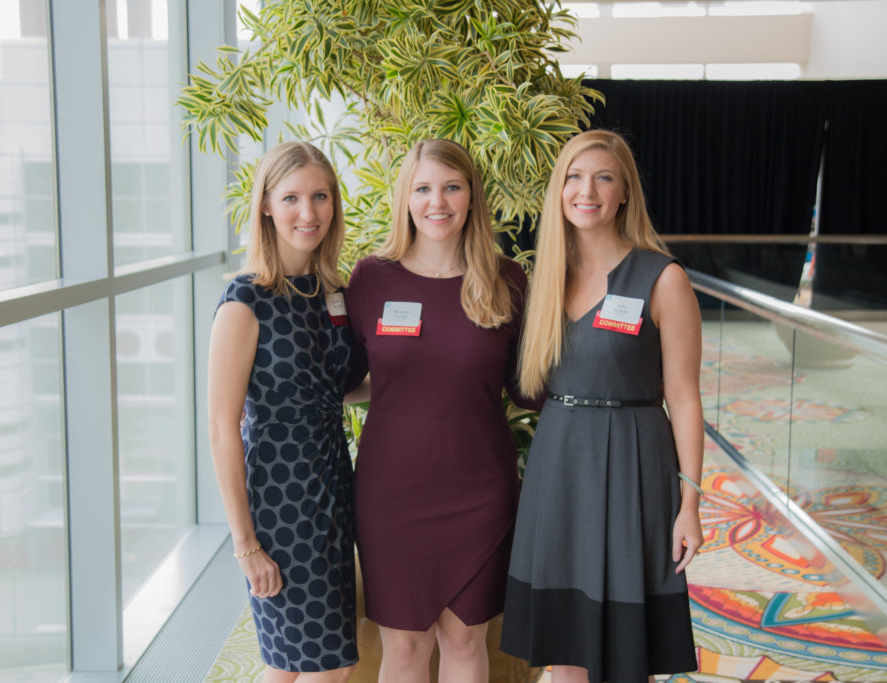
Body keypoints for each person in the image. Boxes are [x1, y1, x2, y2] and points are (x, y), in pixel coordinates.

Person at [501, 130, 704, 683]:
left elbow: (684, 397)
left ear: (623, 194)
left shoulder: (662, 278)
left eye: (603, 177)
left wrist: (691, 502)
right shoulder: (547, 279)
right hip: (559, 459)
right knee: (564, 644)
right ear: (558, 190)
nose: (585, 190)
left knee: (623, 649)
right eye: (573, 176)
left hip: (634, 463)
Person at [344, 139, 539, 683]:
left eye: (452, 187)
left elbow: (527, 387)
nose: (438, 201)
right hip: (393, 491)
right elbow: (353, 377)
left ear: (473, 197)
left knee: (464, 638)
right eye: (423, 188)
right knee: (403, 648)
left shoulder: (506, 280)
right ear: (405, 197)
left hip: (480, 487)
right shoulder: (371, 278)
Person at [207, 141, 357, 682]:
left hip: (332, 488)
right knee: (324, 667)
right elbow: (223, 430)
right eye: (291, 197)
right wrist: (246, 546)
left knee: (289, 664)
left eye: (320, 196)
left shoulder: (332, 291)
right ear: (266, 205)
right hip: (281, 501)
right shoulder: (245, 301)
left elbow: (336, 387)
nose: (309, 212)